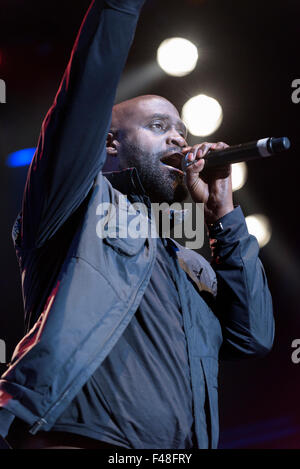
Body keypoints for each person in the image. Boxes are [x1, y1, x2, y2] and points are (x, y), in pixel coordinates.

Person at [0, 0, 274, 449]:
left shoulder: (186, 259)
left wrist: (224, 215)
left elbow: (254, 337)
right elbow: (88, 86)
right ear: (109, 143)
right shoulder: (76, 205)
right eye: (159, 125)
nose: (178, 138)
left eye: (181, 130)